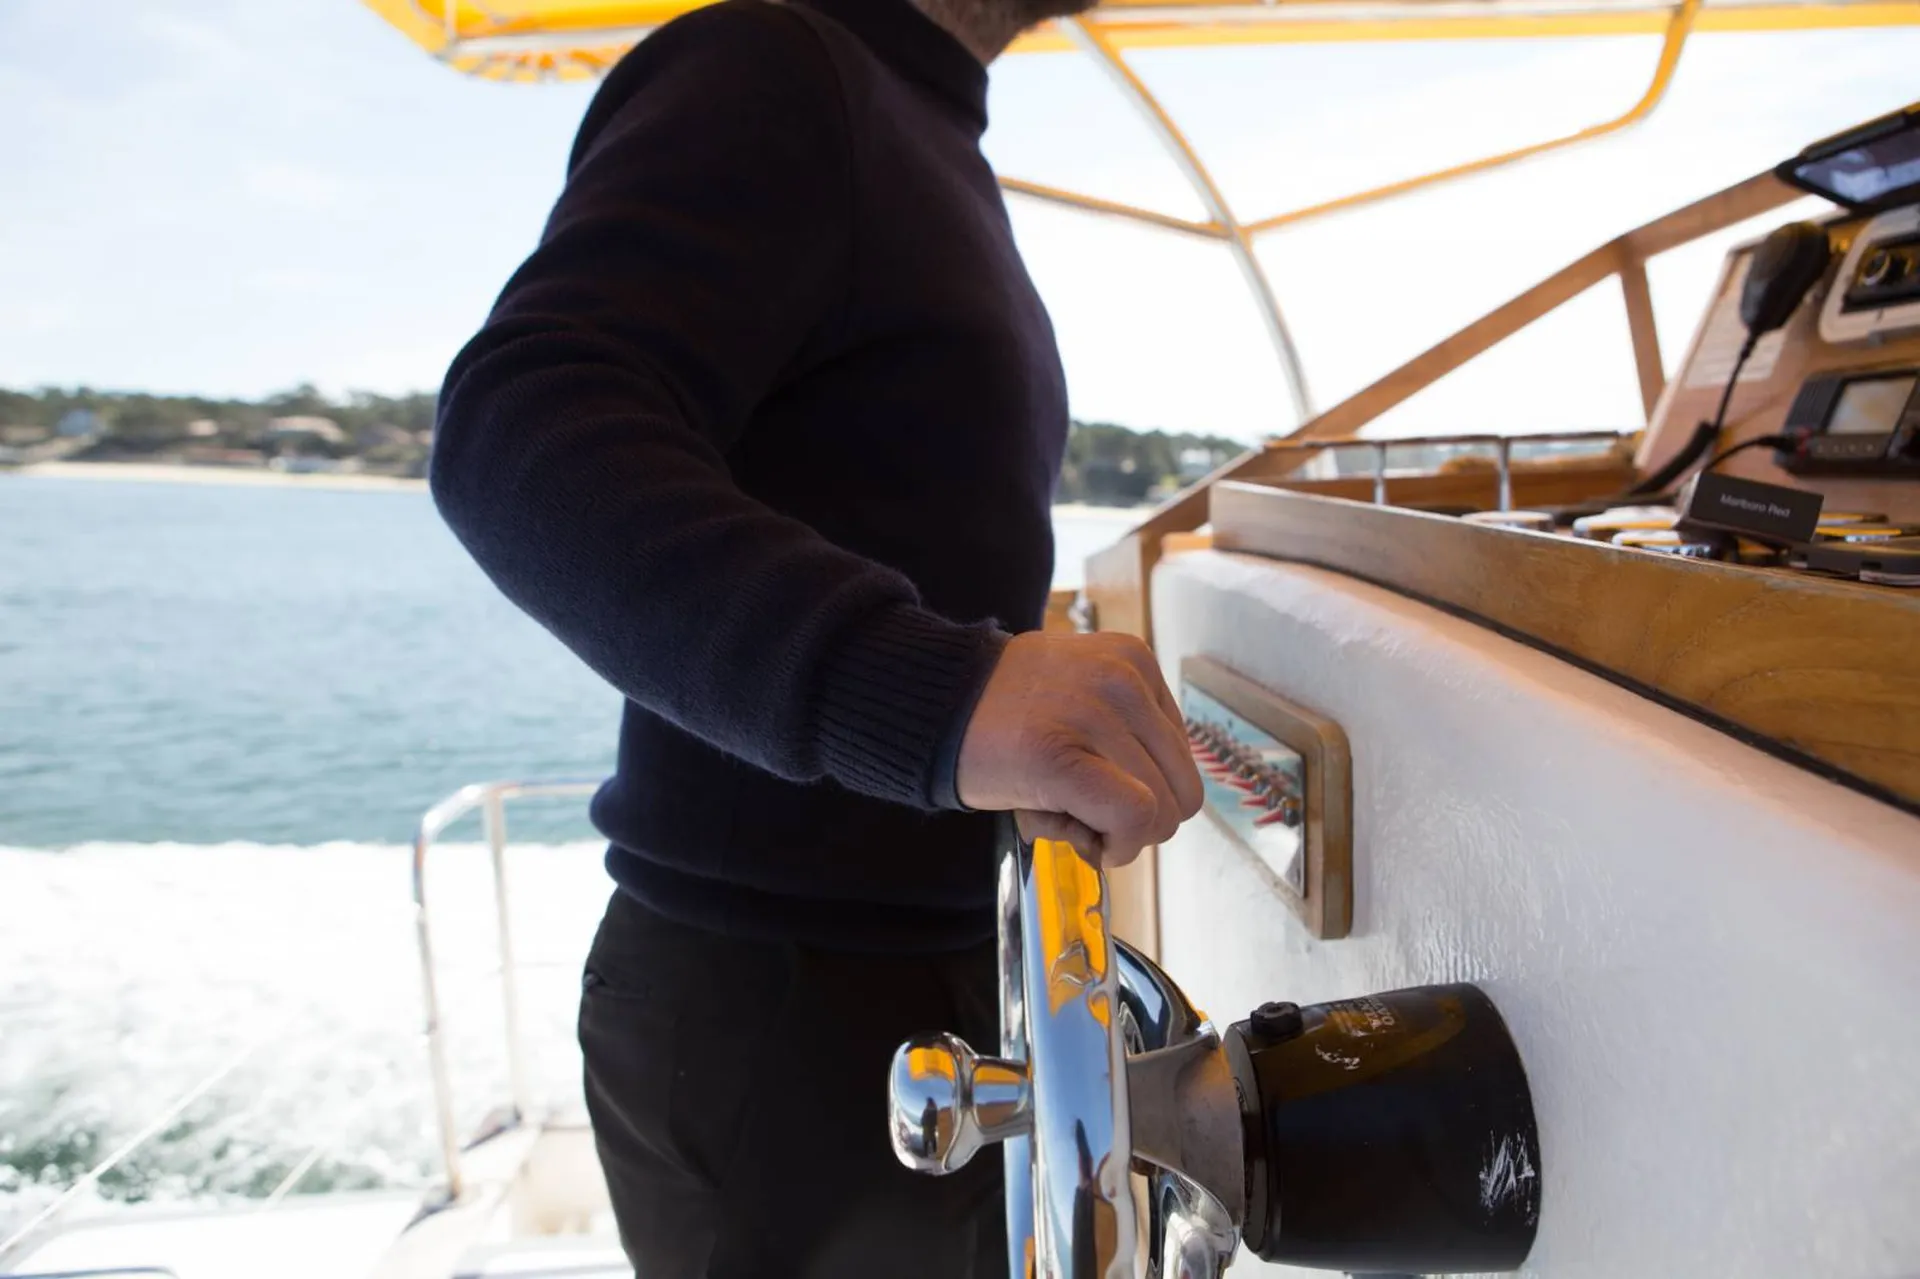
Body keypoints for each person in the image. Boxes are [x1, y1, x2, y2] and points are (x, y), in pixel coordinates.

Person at [428, 0, 1205, 1270]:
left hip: (922, 981)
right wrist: (937, 694)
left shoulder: (918, 124)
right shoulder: (777, 63)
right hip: (779, 1015)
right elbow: (520, 426)